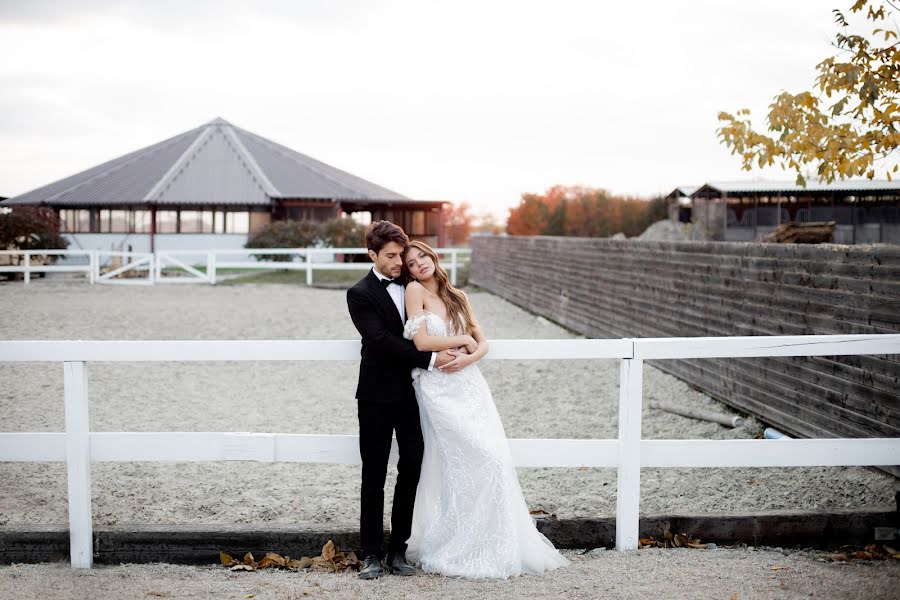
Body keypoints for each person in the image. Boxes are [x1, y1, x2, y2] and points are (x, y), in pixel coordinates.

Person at [402, 240, 569, 579]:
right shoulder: (414, 291)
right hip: (438, 388)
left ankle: (493, 541)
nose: (419, 264)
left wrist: (469, 354)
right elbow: (421, 343)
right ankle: (457, 542)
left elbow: (483, 341)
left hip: (471, 385)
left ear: (433, 257)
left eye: (423, 256)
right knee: (469, 461)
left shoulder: (459, 296)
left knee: (493, 460)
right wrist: (459, 341)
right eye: (411, 262)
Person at [346, 221, 457, 580]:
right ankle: (372, 554)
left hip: (412, 393)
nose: (398, 262)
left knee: (412, 465)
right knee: (373, 473)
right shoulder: (359, 293)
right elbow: (378, 339)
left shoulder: (413, 287)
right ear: (372, 254)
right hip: (376, 394)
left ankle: (399, 551)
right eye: (390, 256)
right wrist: (428, 358)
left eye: (400, 255)